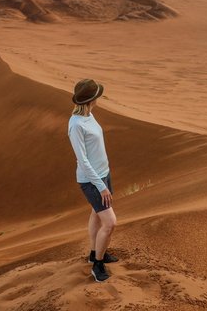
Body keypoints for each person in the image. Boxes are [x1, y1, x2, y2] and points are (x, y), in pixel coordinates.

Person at [68, 78, 118, 283]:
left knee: (96, 214)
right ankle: (98, 265)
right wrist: (101, 187)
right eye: (97, 94)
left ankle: (94, 252)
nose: (99, 97)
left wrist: (104, 177)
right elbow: (83, 160)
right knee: (111, 223)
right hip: (92, 180)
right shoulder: (76, 125)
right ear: (91, 99)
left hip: (103, 174)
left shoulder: (89, 114)